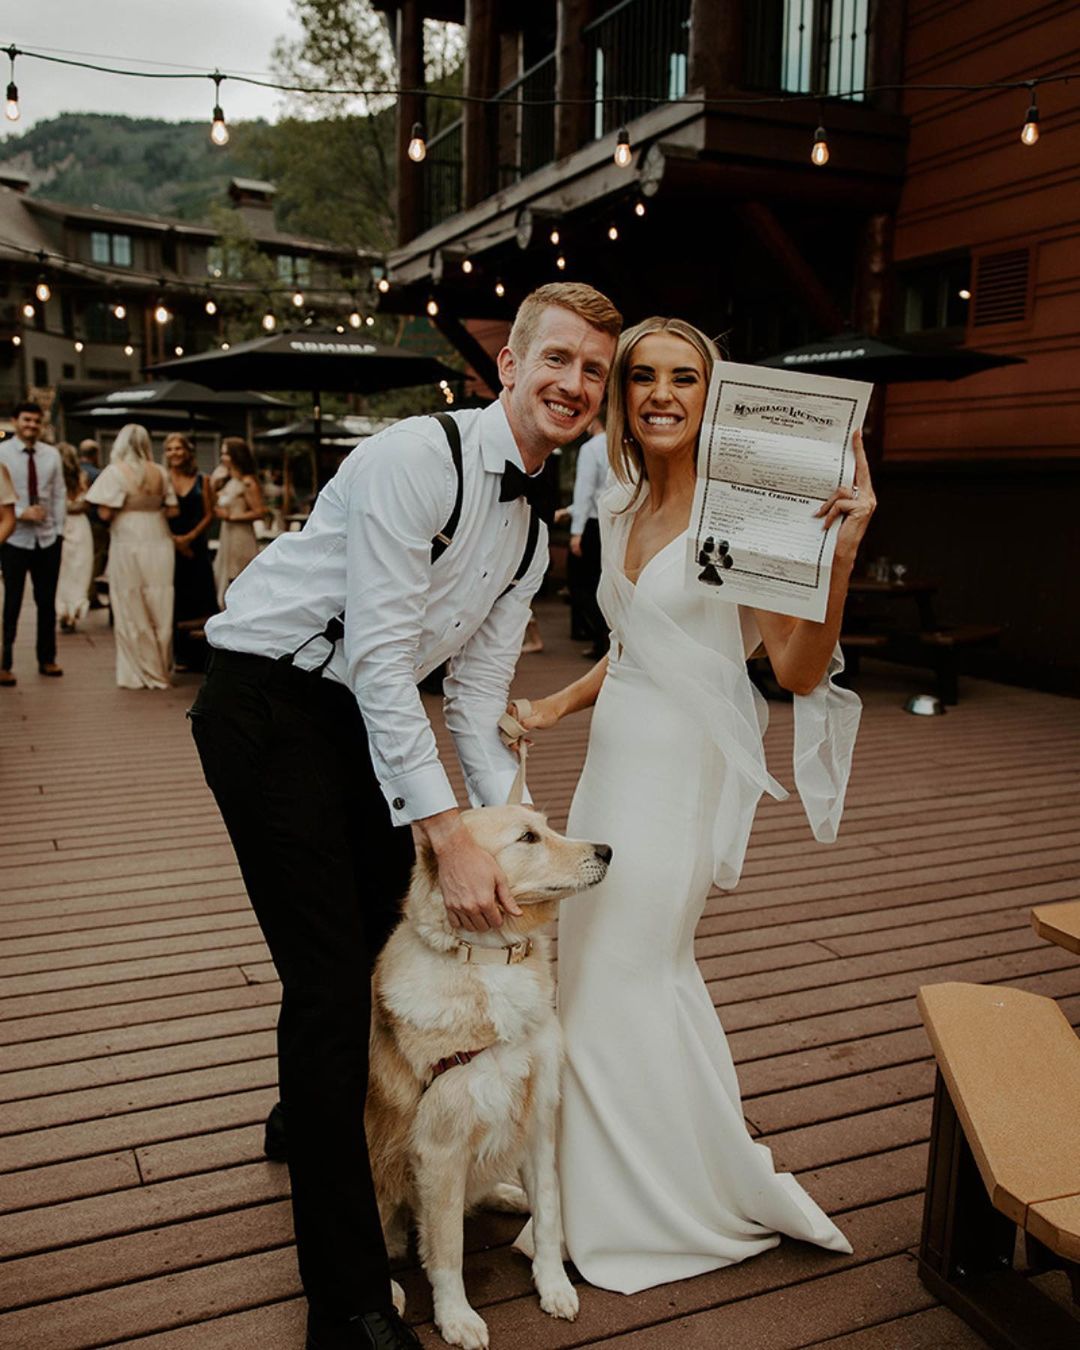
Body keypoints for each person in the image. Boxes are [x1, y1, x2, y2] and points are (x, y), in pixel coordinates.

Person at [188, 282, 621, 1350]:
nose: (574, 383)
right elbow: (383, 659)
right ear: (509, 365)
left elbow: (471, 701)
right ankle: (341, 1302)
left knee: (384, 933)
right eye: (556, 359)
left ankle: (311, 1113)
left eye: (594, 372)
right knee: (329, 982)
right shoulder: (412, 461)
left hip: (357, 719)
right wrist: (445, 835)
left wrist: (508, 830)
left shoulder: (529, 534)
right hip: (266, 699)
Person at [512, 317, 875, 1294]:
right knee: (583, 969)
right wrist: (555, 701)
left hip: (677, 778)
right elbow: (635, 645)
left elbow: (796, 669)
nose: (662, 394)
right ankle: (586, 1188)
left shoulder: (740, 513)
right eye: (643, 378)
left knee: (633, 971)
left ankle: (662, 1204)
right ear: (625, 396)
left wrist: (838, 557)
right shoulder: (628, 500)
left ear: (715, 397)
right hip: (608, 768)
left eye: (685, 378)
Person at [86, 424, 178, 689]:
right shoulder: (160, 472)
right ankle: (161, 667)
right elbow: (172, 510)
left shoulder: (115, 472)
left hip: (128, 539)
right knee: (159, 602)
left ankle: (138, 670)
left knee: (130, 601)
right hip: (159, 537)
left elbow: (104, 513)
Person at [0, 400, 66, 686]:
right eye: (26, 420)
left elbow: (59, 494)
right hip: (13, 537)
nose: (31, 426)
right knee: (11, 601)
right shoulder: (1, 453)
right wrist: (19, 513)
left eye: (36, 421)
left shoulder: (51, 455)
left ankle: (47, 658)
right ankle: (5, 662)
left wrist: (59, 530)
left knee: (46, 601)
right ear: (15, 421)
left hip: (47, 537)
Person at [164, 432, 218, 670]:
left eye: (178, 448)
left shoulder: (202, 480)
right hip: (170, 545)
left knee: (201, 597)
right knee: (176, 598)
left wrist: (190, 538)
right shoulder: (163, 479)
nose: (174, 453)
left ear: (188, 451)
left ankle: (203, 655)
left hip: (196, 545)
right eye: (169, 449)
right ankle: (180, 655)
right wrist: (174, 540)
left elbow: (210, 514)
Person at [568, 417, 609, 657]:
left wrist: (576, 532)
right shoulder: (621, 444)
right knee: (605, 583)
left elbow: (584, 491)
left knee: (584, 584)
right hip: (613, 524)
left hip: (593, 525)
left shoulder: (591, 448)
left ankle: (599, 640)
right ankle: (605, 642)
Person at [212, 437, 264, 606]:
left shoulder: (247, 482)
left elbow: (260, 511)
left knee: (238, 575)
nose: (223, 458)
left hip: (241, 535)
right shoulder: (228, 481)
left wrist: (232, 517)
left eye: (226, 454)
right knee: (224, 575)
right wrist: (213, 482)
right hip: (227, 533)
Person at [55, 443, 95, 632]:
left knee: (63, 571)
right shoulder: (82, 477)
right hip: (79, 524)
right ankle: (72, 611)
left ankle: (63, 611)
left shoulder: (55, 479)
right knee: (79, 569)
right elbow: (87, 504)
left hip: (62, 524)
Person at [79, 439, 108, 609]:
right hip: (96, 523)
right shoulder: (98, 474)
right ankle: (90, 595)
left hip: (80, 523)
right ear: (95, 454)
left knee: (84, 560)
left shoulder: (75, 471)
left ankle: (87, 594)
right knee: (95, 560)